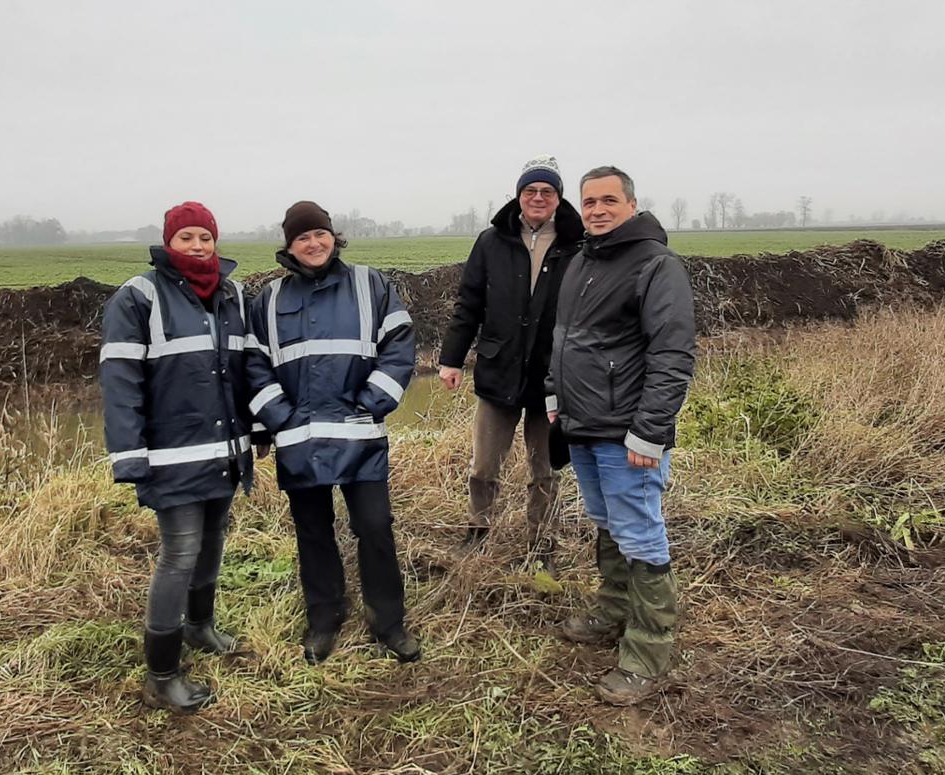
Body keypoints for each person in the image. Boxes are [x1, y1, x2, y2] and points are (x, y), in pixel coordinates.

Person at [245, 200, 422, 665]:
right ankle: (324, 619)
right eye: (302, 237)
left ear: (333, 237)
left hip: (360, 434)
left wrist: (373, 401)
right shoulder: (269, 300)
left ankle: (389, 622)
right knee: (313, 532)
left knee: (375, 527)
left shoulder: (370, 284)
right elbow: (253, 364)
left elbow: (400, 346)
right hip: (300, 439)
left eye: (319, 234)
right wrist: (277, 417)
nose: (313, 243)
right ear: (289, 246)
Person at [545, 167, 696, 706]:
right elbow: (564, 340)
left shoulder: (657, 265)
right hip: (583, 425)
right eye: (589, 202)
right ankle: (613, 613)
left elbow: (672, 355)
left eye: (609, 200)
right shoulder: (584, 259)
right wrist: (552, 397)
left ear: (632, 204)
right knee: (607, 523)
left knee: (640, 532)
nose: (598, 209)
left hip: (626, 433)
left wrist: (648, 434)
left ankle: (648, 652)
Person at [99, 201, 254, 712]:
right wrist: (129, 455)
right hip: (172, 456)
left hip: (224, 453)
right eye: (186, 238)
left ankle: (200, 627)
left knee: (213, 544)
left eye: (205, 238)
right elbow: (120, 382)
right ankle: (162, 674)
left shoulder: (231, 294)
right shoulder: (137, 298)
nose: (197, 247)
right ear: (169, 243)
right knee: (179, 555)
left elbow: (245, 370)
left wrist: (255, 432)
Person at [438, 155, 585, 562]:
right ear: (518, 196)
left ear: (558, 198)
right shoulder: (492, 241)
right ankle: (478, 528)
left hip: (552, 375)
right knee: (484, 466)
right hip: (498, 369)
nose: (538, 198)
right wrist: (451, 359)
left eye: (547, 191)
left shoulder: (578, 243)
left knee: (545, 470)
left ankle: (541, 541)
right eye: (530, 190)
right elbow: (468, 303)